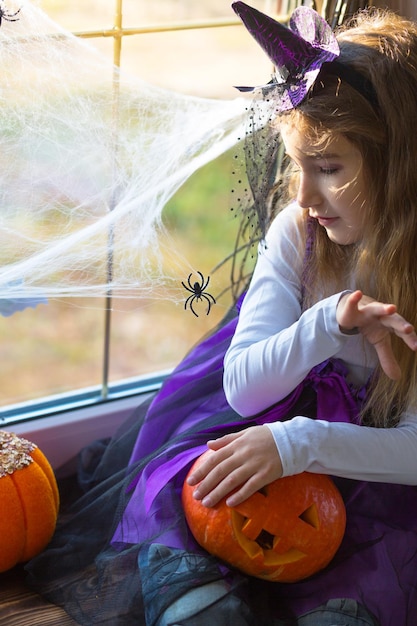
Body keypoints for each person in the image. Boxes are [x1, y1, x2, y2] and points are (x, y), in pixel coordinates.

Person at [26, 3, 417, 626]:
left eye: (329, 169)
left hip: (360, 465)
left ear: (401, 165)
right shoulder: (300, 235)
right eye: (297, 166)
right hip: (255, 429)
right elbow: (243, 392)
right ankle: (199, 599)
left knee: (369, 559)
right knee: (187, 492)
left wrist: (298, 444)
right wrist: (327, 323)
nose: (304, 195)